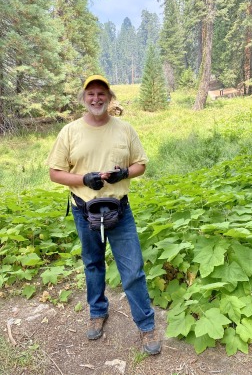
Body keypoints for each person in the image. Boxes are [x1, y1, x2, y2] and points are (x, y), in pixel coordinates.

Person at [46, 74, 162, 355]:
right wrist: (84, 179)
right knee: (93, 265)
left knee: (132, 270)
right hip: (84, 211)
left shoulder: (125, 129)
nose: (96, 98)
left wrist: (124, 172)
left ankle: (146, 326)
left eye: (101, 93)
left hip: (120, 211)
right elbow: (54, 173)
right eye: (90, 94)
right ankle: (98, 312)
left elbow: (140, 165)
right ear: (83, 99)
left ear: (110, 98)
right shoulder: (70, 131)